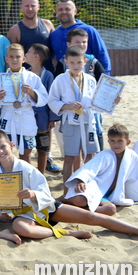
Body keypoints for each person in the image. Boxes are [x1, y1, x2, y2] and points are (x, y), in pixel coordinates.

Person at [0, 130, 138, 240]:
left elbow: (44, 191)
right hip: (25, 215)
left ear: (11, 145)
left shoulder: (26, 168)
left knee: (91, 218)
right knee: (20, 228)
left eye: (3, 147)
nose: (0, 152)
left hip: (45, 208)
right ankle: (67, 233)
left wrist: (33, 194)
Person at [63, 124, 138, 215]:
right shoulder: (104, 155)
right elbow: (89, 169)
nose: (116, 144)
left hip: (110, 195)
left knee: (110, 209)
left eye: (120, 141)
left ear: (127, 142)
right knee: (80, 200)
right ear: (108, 142)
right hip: (96, 188)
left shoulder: (132, 157)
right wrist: (81, 180)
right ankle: (63, 200)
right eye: (112, 141)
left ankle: (81, 210)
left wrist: (137, 193)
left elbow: (135, 178)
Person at [48, 46, 102, 183]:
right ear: (66, 62)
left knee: (91, 155)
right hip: (70, 121)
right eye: (72, 62)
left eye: (78, 62)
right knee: (70, 157)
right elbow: (52, 100)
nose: (75, 65)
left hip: (88, 121)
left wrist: (112, 101)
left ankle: (89, 186)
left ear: (84, 61)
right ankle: (67, 190)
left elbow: (97, 101)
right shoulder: (60, 79)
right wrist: (67, 106)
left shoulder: (90, 80)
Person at [0, 44, 48, 162]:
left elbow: (44, 98)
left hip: (25, 118)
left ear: (24, 59)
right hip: (8, 117)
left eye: (18, 56)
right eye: (11, 57)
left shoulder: (32, 77)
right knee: (5, 153)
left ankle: (25, 179)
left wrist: (32, 93)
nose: (14, 59)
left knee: (26, 154)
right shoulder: (0, 79)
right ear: (6, 59)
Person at [49, 0, 111, 74]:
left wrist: (105, 78)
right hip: (66, 81)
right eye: (60, 9)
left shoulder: (89, 30)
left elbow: (101, 54)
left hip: (89, 79)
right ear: (56, 12)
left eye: (67, 9)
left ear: (75, 11)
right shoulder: (54, 34)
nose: (64, 12)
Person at [25, 44, 58, 174]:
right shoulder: (24, 73)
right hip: (26, 117)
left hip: (43, 119)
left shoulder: (48, 75)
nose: (25, 54)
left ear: (36, 56)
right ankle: (28, 175)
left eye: (28, 51)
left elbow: (52, 98)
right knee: (26, 149)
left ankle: (41, 175)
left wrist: (52, 119)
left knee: (42, 149)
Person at [6, 0, 55, 72]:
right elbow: (11, 56)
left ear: (38, 7)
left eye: (33, 6)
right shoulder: (15, 30)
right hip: (26, 77)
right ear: (21, 7)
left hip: (48, 74)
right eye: (26, 6)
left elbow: (55, 50)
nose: (30, 9)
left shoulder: (48, 25)